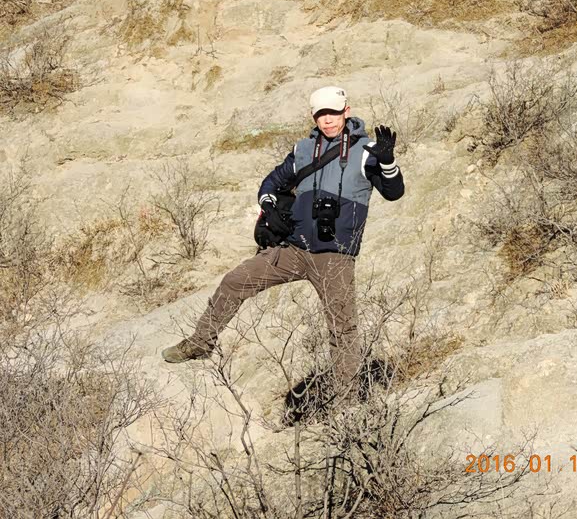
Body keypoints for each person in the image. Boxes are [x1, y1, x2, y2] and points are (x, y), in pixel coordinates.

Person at [161, 86, 405, 387]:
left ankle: (347, 396)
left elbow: (394, 193)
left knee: (342, 329)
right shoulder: (303, 149)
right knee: (235, 281)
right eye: (321, 114)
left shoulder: (368, 151)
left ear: (346, 111)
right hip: (293, 249)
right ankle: (200, 343)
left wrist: (388, 163)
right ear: (314, 117)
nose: (328, 120)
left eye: (333, 113)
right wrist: (268, 205)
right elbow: (271, 182)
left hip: (335, 256)